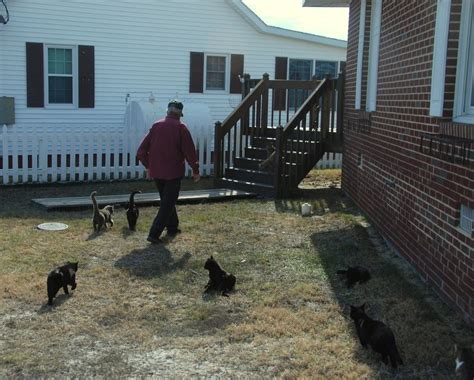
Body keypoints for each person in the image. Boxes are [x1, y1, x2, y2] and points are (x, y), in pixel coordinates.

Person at [137, 100, 200, 244]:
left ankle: (172, 227)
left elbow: (140, 152)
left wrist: (149, 166)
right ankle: (154, 234)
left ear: (167, 111)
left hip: (157, 173)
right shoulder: (181, 128)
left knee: (167, 201)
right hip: (173, 173)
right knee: (167, 204)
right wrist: (195, 170)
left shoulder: (156, 125)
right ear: (180, 113)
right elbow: (190, 152)